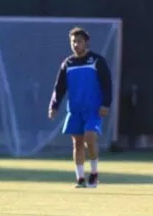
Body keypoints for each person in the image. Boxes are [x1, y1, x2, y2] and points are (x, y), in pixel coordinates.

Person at [48, 27, 112, 188]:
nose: (76, 44)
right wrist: (54, 106)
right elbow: (59, 87)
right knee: (77, 143)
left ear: (86, 42)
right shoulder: (67, 63)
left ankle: (94, 174)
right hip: (75, 109)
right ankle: (80, 178)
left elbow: (107, 84)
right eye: (73, 42)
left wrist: (106, 104)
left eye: (79, 41)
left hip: (93, 109)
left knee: (90, 139)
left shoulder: (97, 61)